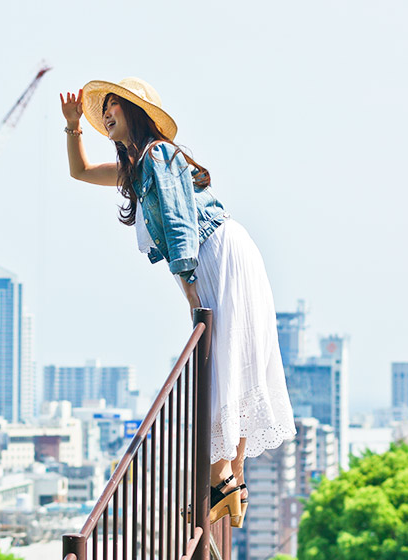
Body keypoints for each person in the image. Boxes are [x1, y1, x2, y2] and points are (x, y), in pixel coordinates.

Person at [60, 78, 296, 528]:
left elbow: (177, 216)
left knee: (222, 362)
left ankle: (221, 481)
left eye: (115, 105)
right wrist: (73, 128)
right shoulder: (138, 167)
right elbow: (81, 172)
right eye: (103, 107)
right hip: (220, 251)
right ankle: (230, 484)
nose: (106, 112)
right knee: (233, 360)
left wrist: (187, 279)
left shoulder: (158, 155)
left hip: (213, 250)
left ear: (136, 112)